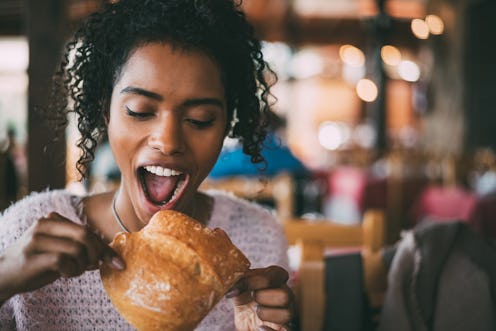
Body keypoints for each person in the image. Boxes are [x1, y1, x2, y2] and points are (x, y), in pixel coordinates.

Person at [0, 1, 294, 330]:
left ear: (226, 127)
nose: (167, 141)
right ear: (105, 114)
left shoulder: (258, 240)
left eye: (200, 119)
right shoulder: (23, 231)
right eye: (140, 111)